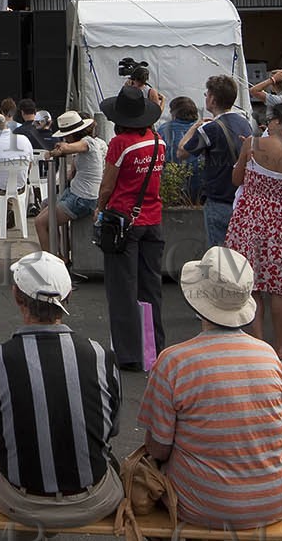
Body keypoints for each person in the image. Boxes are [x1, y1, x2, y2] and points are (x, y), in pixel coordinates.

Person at [138, 246, 282, 532]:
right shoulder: (270, 356)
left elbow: (158, 448)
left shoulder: (174, 361)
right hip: (276, 497)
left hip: (204, 503)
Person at [0, 251, 123, 530]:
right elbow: (110, 429)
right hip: (94, 499)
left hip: (20, 501)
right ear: (68, 299)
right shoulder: (102, 357)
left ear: (18, 297)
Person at [226, 103, 282, 364]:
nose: (267, 124)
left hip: (249, 221)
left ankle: (258, 345)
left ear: (280, 122)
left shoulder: (254, 145)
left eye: (271, 119)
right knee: (281, 290)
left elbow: (236, 179)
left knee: (252, 286)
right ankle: (280, 349)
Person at [97, 86, 167, 371]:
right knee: (150, 288)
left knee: (122, 289)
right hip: (153, 218)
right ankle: (153, 349)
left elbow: (107, 185)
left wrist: (99, 209)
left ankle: (129, 354)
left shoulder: (120, 144)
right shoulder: (157, 141)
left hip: (123, 220)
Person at [180, 75, 255, 248]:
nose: (206, 97)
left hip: (219, 200)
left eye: (207, 94)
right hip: (242, 199)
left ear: (213, 99)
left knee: (220, 258)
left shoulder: (210, 128)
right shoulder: (244, 123)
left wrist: (194, 128)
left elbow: (182, 152)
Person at [31, 110, 104, 249]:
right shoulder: (89, 144)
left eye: (65, 136)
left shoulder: (88, 142)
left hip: (83, 198)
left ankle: (50, 262)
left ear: (71, 134)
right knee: (46, 205)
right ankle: (59, 252)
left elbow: (68, 147)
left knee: (40, 223)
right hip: (76, 193)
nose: (64, 139)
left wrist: (57, 150)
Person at [158, 97, 203, 182]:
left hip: (170, 182)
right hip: (197, 182)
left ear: (173, 113)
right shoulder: (201, 129)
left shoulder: (164, 129)